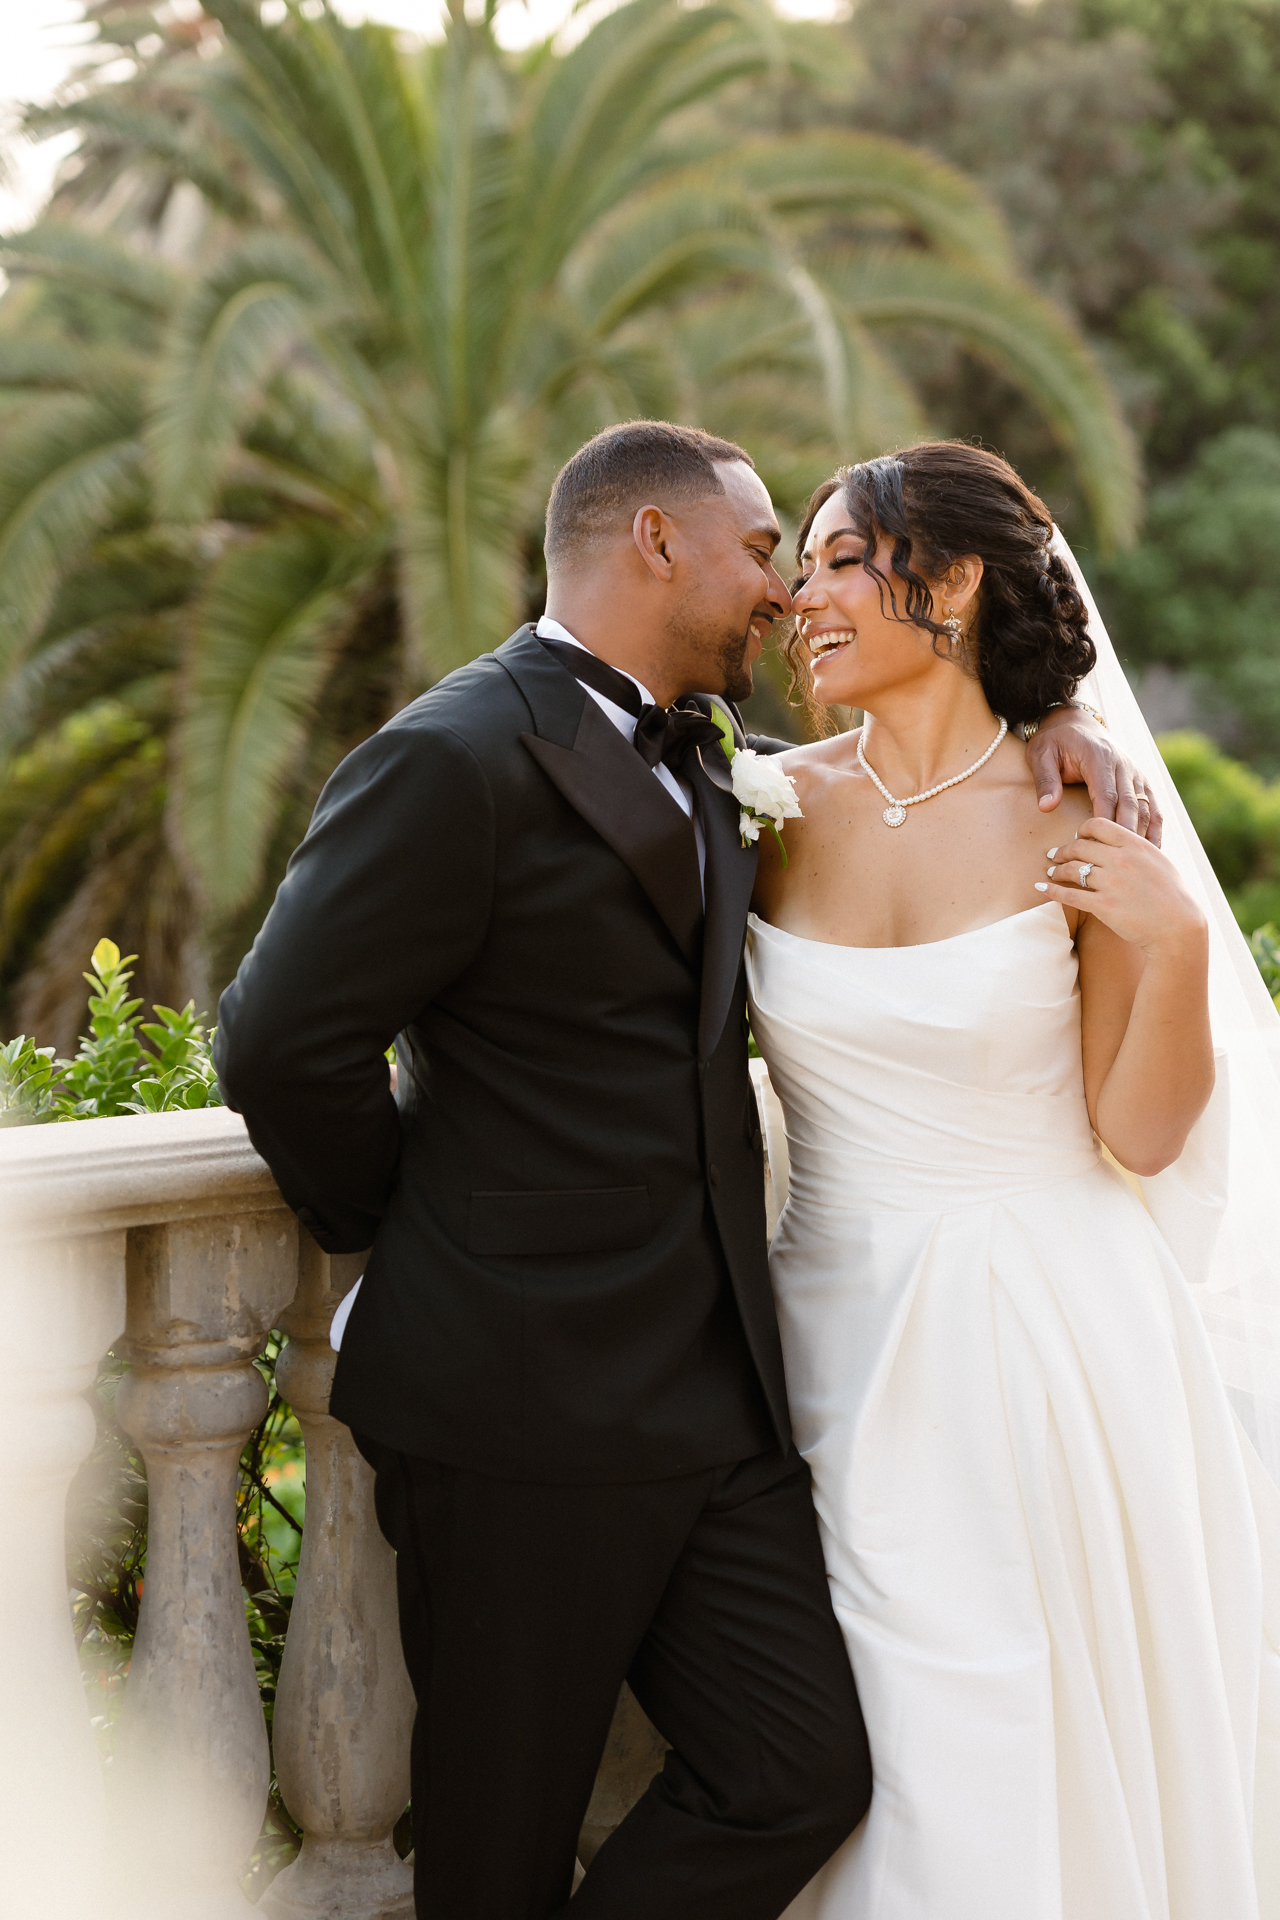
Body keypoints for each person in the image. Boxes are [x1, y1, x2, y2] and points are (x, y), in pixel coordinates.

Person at [214, 421, 1155, 1920]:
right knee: (496, 1842)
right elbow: (277, 1043)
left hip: (716, 1398)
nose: (782, 590)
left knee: (798, 1771)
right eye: (763, 545)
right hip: (511, 1403)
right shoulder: (451, 754)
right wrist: (416, 1228)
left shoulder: (715, 754)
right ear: (656, 542)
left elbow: (886, 792)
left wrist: (1038, 732)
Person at [746, 441, 1280, 1920]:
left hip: (1052, 1353)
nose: (807, 594)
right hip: (827, 1346)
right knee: (884, 1764)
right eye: (806, 564)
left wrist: (1169, 940)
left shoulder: (1078, 815)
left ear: (960, 580)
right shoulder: (760, 811)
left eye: (847, 559)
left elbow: (1142, 1133)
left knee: (1009, 1753)